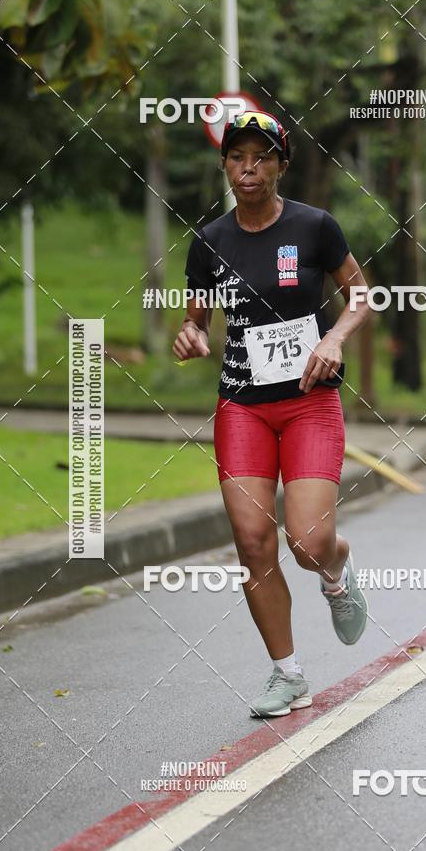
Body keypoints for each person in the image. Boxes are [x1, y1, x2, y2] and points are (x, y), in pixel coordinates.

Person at [173, 111, 372, 718]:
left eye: (262, 157)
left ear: (281, 165)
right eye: (237, 157)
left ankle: (335, 568)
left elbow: (360, 294)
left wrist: (333, 338)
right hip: (242, 406)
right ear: (225, 165)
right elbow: (193, 318)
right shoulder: (209, 241)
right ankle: (287, 675)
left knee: (307, 542)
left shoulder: (315, 227)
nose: (249, 168)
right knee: (254, 540)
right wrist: (190, 336)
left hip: (310, 403)